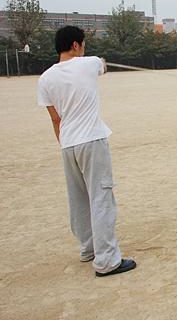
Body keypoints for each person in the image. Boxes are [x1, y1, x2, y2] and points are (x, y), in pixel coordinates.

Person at [37, 26, 136, 277]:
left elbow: (56, 119)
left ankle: (88, 248)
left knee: (79, 199)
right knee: (101, 198)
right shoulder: (89, 63)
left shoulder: (45, 78)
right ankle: (106, 261)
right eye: (83, 44)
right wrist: (100, 61)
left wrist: (65, 143)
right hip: (91, 140)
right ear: (75, 45)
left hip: (67, 143)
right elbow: (102, 66)